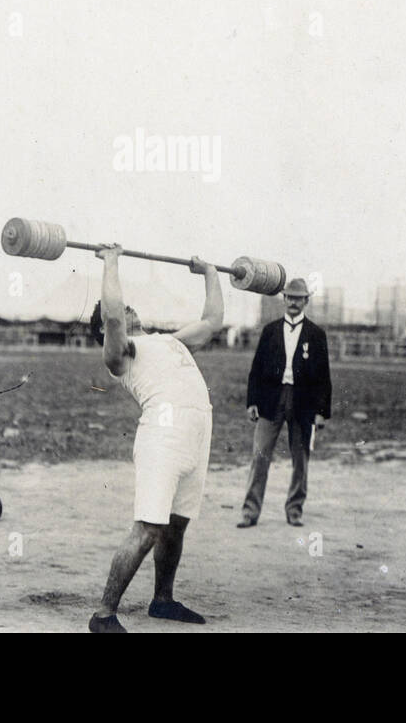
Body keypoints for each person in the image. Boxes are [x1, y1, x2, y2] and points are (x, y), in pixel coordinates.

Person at [87, 244, 223, 634]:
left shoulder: (169, 340)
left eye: (131, 308)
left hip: (196, 434)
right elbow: (112, 313)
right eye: (122, 312)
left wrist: (209, 272)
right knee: (149, 526)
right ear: (105, 333)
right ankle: (103, 615)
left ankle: (162, 600)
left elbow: (212, 321)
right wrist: (111, 263)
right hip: (163, 436)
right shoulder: (121, 354)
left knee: (176, 524)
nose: (130, 311)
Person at [236, 277, 332, 528]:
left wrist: (322, 412)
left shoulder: (316, 334)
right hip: (271, 400)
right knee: (259, 455)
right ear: (284, 299)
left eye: (298, 298)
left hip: (303, 403)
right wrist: (252, 402)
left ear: (306, 302)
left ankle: (295, 510)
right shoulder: (270, 331)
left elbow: (324, 376)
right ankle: (250, 511)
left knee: (300, 458)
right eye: (289, 297)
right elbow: (256, 369)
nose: (293, 302)